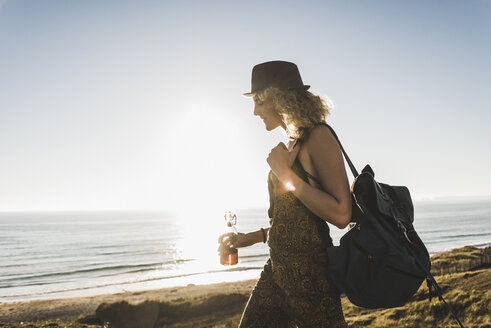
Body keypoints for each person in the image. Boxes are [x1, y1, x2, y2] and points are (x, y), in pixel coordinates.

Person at [219, 60, 351, 328]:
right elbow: (296, 219)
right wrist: (254, 237)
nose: (255, 112)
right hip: (277, 272)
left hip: (312, 279)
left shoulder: (319, 136)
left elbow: (341, 214)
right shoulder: (293, 143)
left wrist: (284, 174)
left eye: (258, 101)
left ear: (278, 99)